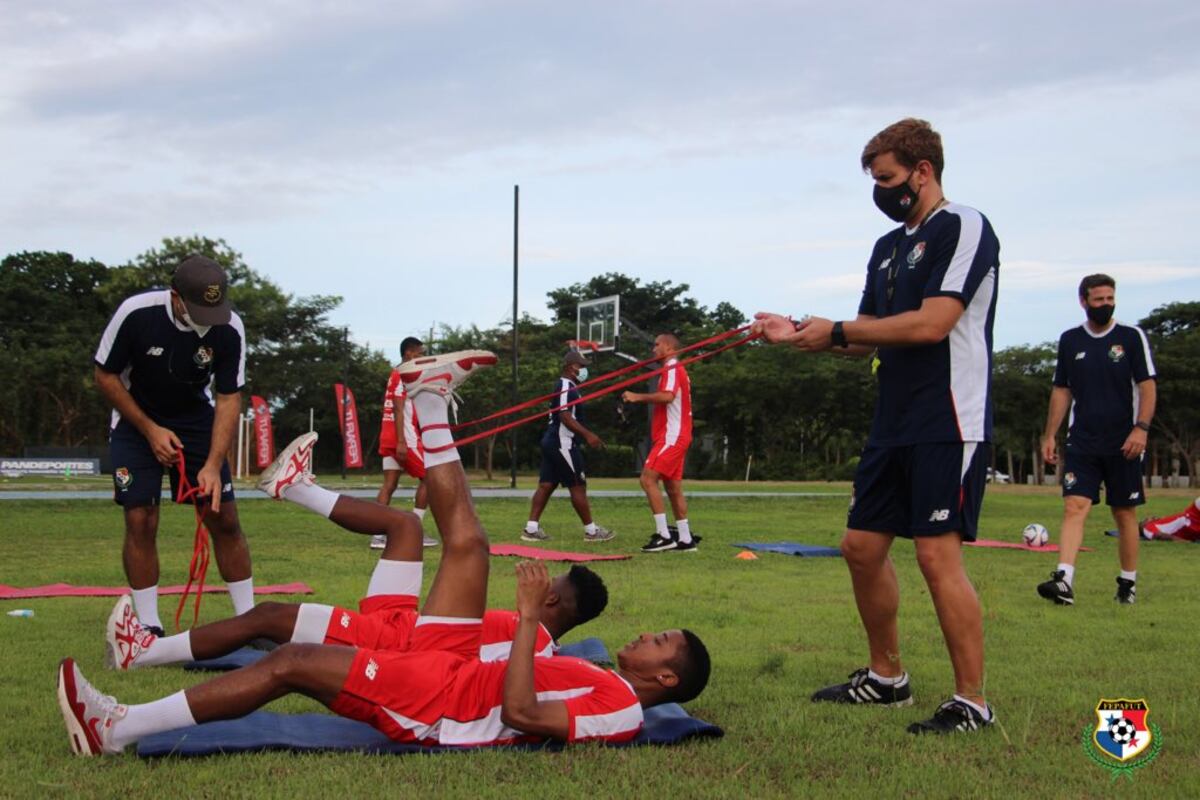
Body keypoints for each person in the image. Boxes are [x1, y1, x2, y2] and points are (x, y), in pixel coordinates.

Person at [60, 350, 711, 755]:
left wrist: (527, 625)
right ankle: (430, 402)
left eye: (660, 642)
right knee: (470, 545)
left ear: (665, 680)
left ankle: (116, 727)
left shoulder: (621, 709)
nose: (648, 636)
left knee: (291, 659)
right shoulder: (603, 681)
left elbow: (520, 714)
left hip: (440, 705)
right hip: (445, 664)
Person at [753, 118, 1000, 734]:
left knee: (937, 557)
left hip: (949, 417)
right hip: (893, 422)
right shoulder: (888, 248)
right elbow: (863, 339)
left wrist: (836, 327)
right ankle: (888, 679)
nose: (881, 191)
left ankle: (972, 700)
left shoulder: (963, 226)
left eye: (887, 178)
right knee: (861, 548)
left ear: (923, 171)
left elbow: (931, 323)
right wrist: (797, 335)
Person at [104, 430, 609, 670]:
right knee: (405, 527)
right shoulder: (531, 632)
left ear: (553, 604)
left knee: (269, 616)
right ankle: (294, 486)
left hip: (392, 645)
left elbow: (458, 669)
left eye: (550, 584)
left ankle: (143, 654)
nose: (538, 583)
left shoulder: (532, 646)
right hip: (404, 621)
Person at [93, 255, 256, 635]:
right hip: (137, 419)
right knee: (140, 518)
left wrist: (214, 464)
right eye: (198, 309)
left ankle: (250, 622)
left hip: (195, 418)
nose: (207, 318)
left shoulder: (230, 327)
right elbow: (105, 375)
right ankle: (148, 627)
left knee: (224, 517)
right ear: (176, 297)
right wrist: (150, 430)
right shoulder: (136, 314)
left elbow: (229, 397)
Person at [1037, 274, 1157, 606]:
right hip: (1083, 441)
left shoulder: (1131, 338)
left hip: (1125, 442)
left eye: (1110, 298)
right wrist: (1050, 434)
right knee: (1075, 506)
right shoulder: (1070, 340)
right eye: (1098, 299)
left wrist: (1141, 428)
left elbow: (1147, 386)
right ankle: (1064, 581)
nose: (1106, 304)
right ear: (1083, 301)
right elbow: (1062, 390)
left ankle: (1127, 583)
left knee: (1124, 512)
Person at [522, 350, 613, 543]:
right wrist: (588, 435)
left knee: (547, 485)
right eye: (582, 366)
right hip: (562, 442)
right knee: (578, 485)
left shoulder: (570, 386)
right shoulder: (566, 386)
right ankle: (591, 531)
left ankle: (531, 529)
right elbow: (564, 415)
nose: (584, 370)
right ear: (573, 367)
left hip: (553, 441)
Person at [622, 334, 696, 553]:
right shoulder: (673, 368)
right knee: (673, 488)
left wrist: (638, 397)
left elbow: (667, 396)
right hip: (677, 435)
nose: (653, 349)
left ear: (668, 347)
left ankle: (664, 536)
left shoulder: (672, 367)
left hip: (672, 436)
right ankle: (685, 539)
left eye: (656, 345)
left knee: (647, 479)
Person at [374, 336, 435, 549]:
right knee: (430, 477)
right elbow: (399, 407)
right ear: (408, 352)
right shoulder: (404, 374)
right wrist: (402, 441)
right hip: (403, 437)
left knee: (389, 485)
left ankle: (377, 535)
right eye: (419, 352)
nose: (422, 355)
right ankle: (415, 528)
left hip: (388, 434)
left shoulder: (394, 373)